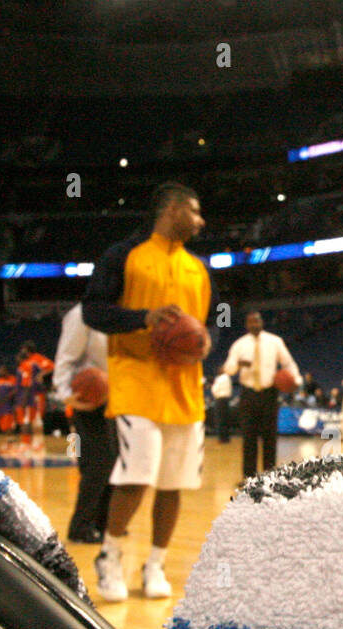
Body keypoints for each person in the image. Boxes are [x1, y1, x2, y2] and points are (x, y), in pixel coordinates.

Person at [82, 181, 217, 602]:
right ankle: (110, 554)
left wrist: (203, 342)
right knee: (137, 474)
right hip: (136, 378)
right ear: (173, 209)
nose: (201, 220)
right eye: (195, 211)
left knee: (172, 484)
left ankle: (155, 563)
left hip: (185, 387)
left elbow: (199, 327)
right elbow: (93, 310)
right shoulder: (123, 255)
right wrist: (144, 318)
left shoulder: (199, 268)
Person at [53, 302, 115, 545]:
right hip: (88, 399)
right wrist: (67, 393)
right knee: (98, 463)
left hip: (117, 395)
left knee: (114, 461)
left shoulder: (127, 313)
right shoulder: (82, 315)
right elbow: (65, 358)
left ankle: (104, 522)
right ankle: (81, 525)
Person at [223, 311, 299, 479]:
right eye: (251, 322)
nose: (254, 325)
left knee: (269, 437)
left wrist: (296, 380)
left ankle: (269, 477)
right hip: (248, 393)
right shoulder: (239, 345)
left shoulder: (275, 341)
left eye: (257, 321)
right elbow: (228, 369)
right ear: (246, 325)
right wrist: (238, 363)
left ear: (262, 322)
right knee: (248, 438)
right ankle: (249, 478)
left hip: (269, 393)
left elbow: (288, 363)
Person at [16, 341, 55, 446]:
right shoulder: (26, 362)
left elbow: (52, 366)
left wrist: (41, 375)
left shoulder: (37, 358)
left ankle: (37, 444)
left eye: (23, 349)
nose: (21, 351)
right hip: (31, 394)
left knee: (36, 419)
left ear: (27, 349)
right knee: (31, 419)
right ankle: (32, 444)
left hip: (37, 393)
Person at [210, 370, 233, 443]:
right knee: (226, 419)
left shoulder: (219, 379)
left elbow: (214, 389)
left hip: (220, 399)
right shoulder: (228, 378)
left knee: (220, 419)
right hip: (226, 399)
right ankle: (226, 437)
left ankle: (222, 438)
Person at [0, 366, 19, 435]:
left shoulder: (13, 379)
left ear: (6, 371)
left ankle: (10, 437)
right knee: (3, 425)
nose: (0, 373)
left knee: (9, 422)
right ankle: (8, 438)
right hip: (1, 405)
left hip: (10, 404)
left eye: (1, 371)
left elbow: (16, 390)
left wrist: (9, 396)